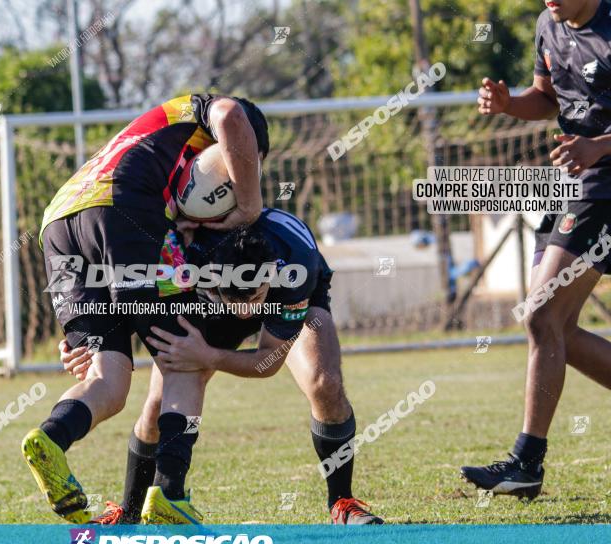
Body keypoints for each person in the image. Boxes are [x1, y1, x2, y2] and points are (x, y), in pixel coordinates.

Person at [23, 94, 270, 524]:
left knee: (108, 378)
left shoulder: (155, 147)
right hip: (121, 207)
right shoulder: (202, 110)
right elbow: (231, 115)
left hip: (59, 222)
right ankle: (170, 497)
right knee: (184, 359)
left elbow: (154, 268)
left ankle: (50, 438)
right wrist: (249, 208)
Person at [61, 209, 383, 525]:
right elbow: (133, 298)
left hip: (290, 295)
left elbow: (268, 360)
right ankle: (129, 510)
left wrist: (210, 356)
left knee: (323, 382)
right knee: (159, 405)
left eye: (253, 298)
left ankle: (343, 502)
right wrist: (91, 339)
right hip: (208, 301)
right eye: (235, 300)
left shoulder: (295, 267)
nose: (245, 312)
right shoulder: (184, 248)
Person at [462, 0, 611, 498]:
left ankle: (526, 460)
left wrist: (599, 147)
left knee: (539, 317)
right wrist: (510, 103)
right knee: (556, 328)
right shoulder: (547, 24)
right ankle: (526, 465)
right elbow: (546, 96)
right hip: (570, 181)